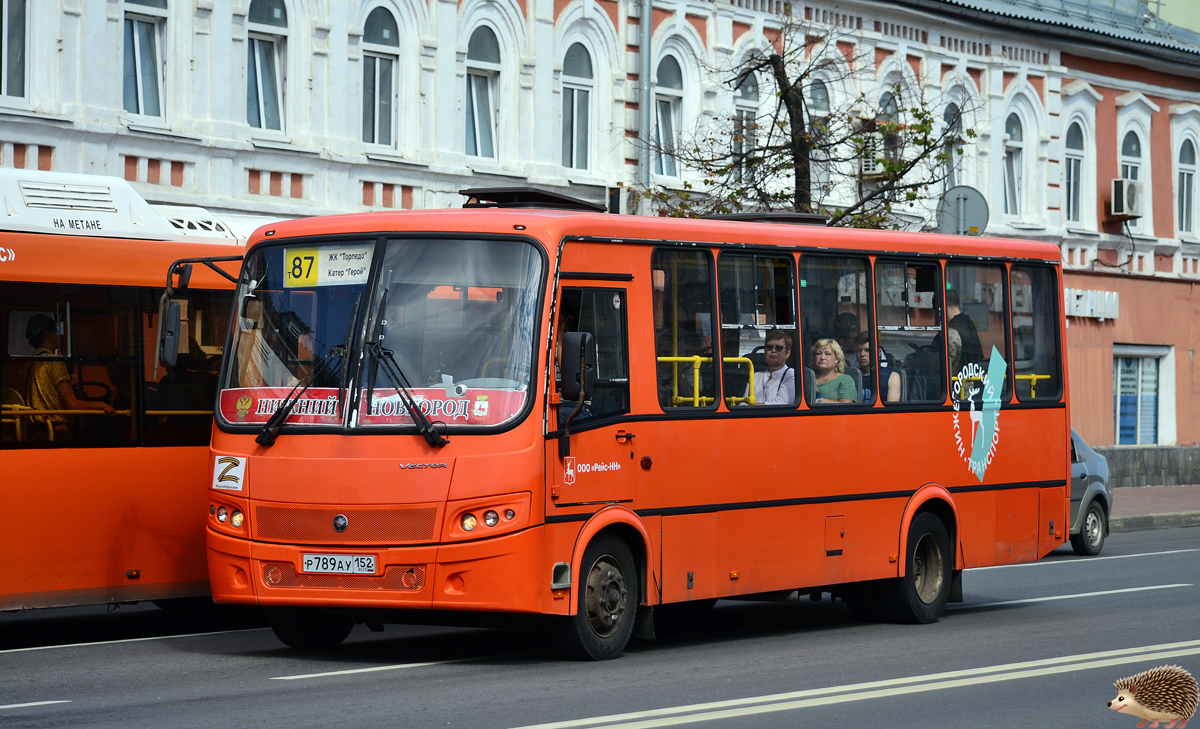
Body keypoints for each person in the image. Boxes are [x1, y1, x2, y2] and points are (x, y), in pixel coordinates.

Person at [24, 314, 114, 438]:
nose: (59, 335)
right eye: (56, 331)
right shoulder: (54, 362)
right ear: (47, 334)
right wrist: (102, 406)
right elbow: (72, 404)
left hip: (35, 434)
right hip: (56, 433)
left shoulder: (29, 363)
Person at [744, 331, 795, 405]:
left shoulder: (791, 374)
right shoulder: (755, 376)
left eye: (778, 348)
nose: (773, 351)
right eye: (769, 347)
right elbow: (743, 403)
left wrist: (751, 407)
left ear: (788, 353)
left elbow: (782, 403)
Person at [853, 332, 900, 403]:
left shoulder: (892, 377)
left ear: (879, 353)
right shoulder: (851, 377)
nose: (862, 354)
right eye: (859, 350)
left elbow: (891, 409)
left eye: (867, 350)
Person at [945, 289, 983, 374]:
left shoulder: (951, 331)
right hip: (968, 380)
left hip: (954, 383)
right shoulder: (967, 323)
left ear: (944, 305)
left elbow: (944, 365)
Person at [810, 338, 857, 404]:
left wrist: (820, 401)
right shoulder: (808, 379)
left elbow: (846, 407)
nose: (822, 357)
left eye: (827, 354)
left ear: (837, 359)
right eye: (818, 353)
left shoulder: (845, 380)